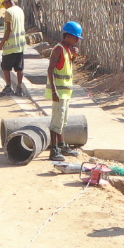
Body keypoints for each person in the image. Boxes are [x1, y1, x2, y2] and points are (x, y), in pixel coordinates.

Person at [46, 21, 82, 156]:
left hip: (65, 93)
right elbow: (50, 70)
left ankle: (62, 144)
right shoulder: (58, 49)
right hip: (59, 93)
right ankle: (54, 149)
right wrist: (54, 91)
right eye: (76, 37)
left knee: (62, 120)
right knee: (56, 121)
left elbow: (67, 68)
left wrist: (74, 57)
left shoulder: (67, 50)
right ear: (68, 37)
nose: (77, 40)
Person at [0, 0, 28, 96]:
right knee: (19, 68)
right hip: (20, 44)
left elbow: (9, 29)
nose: (4, 7)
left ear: (6, 2)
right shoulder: (20, 10)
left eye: (4, 4)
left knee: (6, 67)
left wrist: (2, 43)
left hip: (10, 45)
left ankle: (8, 86)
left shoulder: (9, 12)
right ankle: (19, 88)